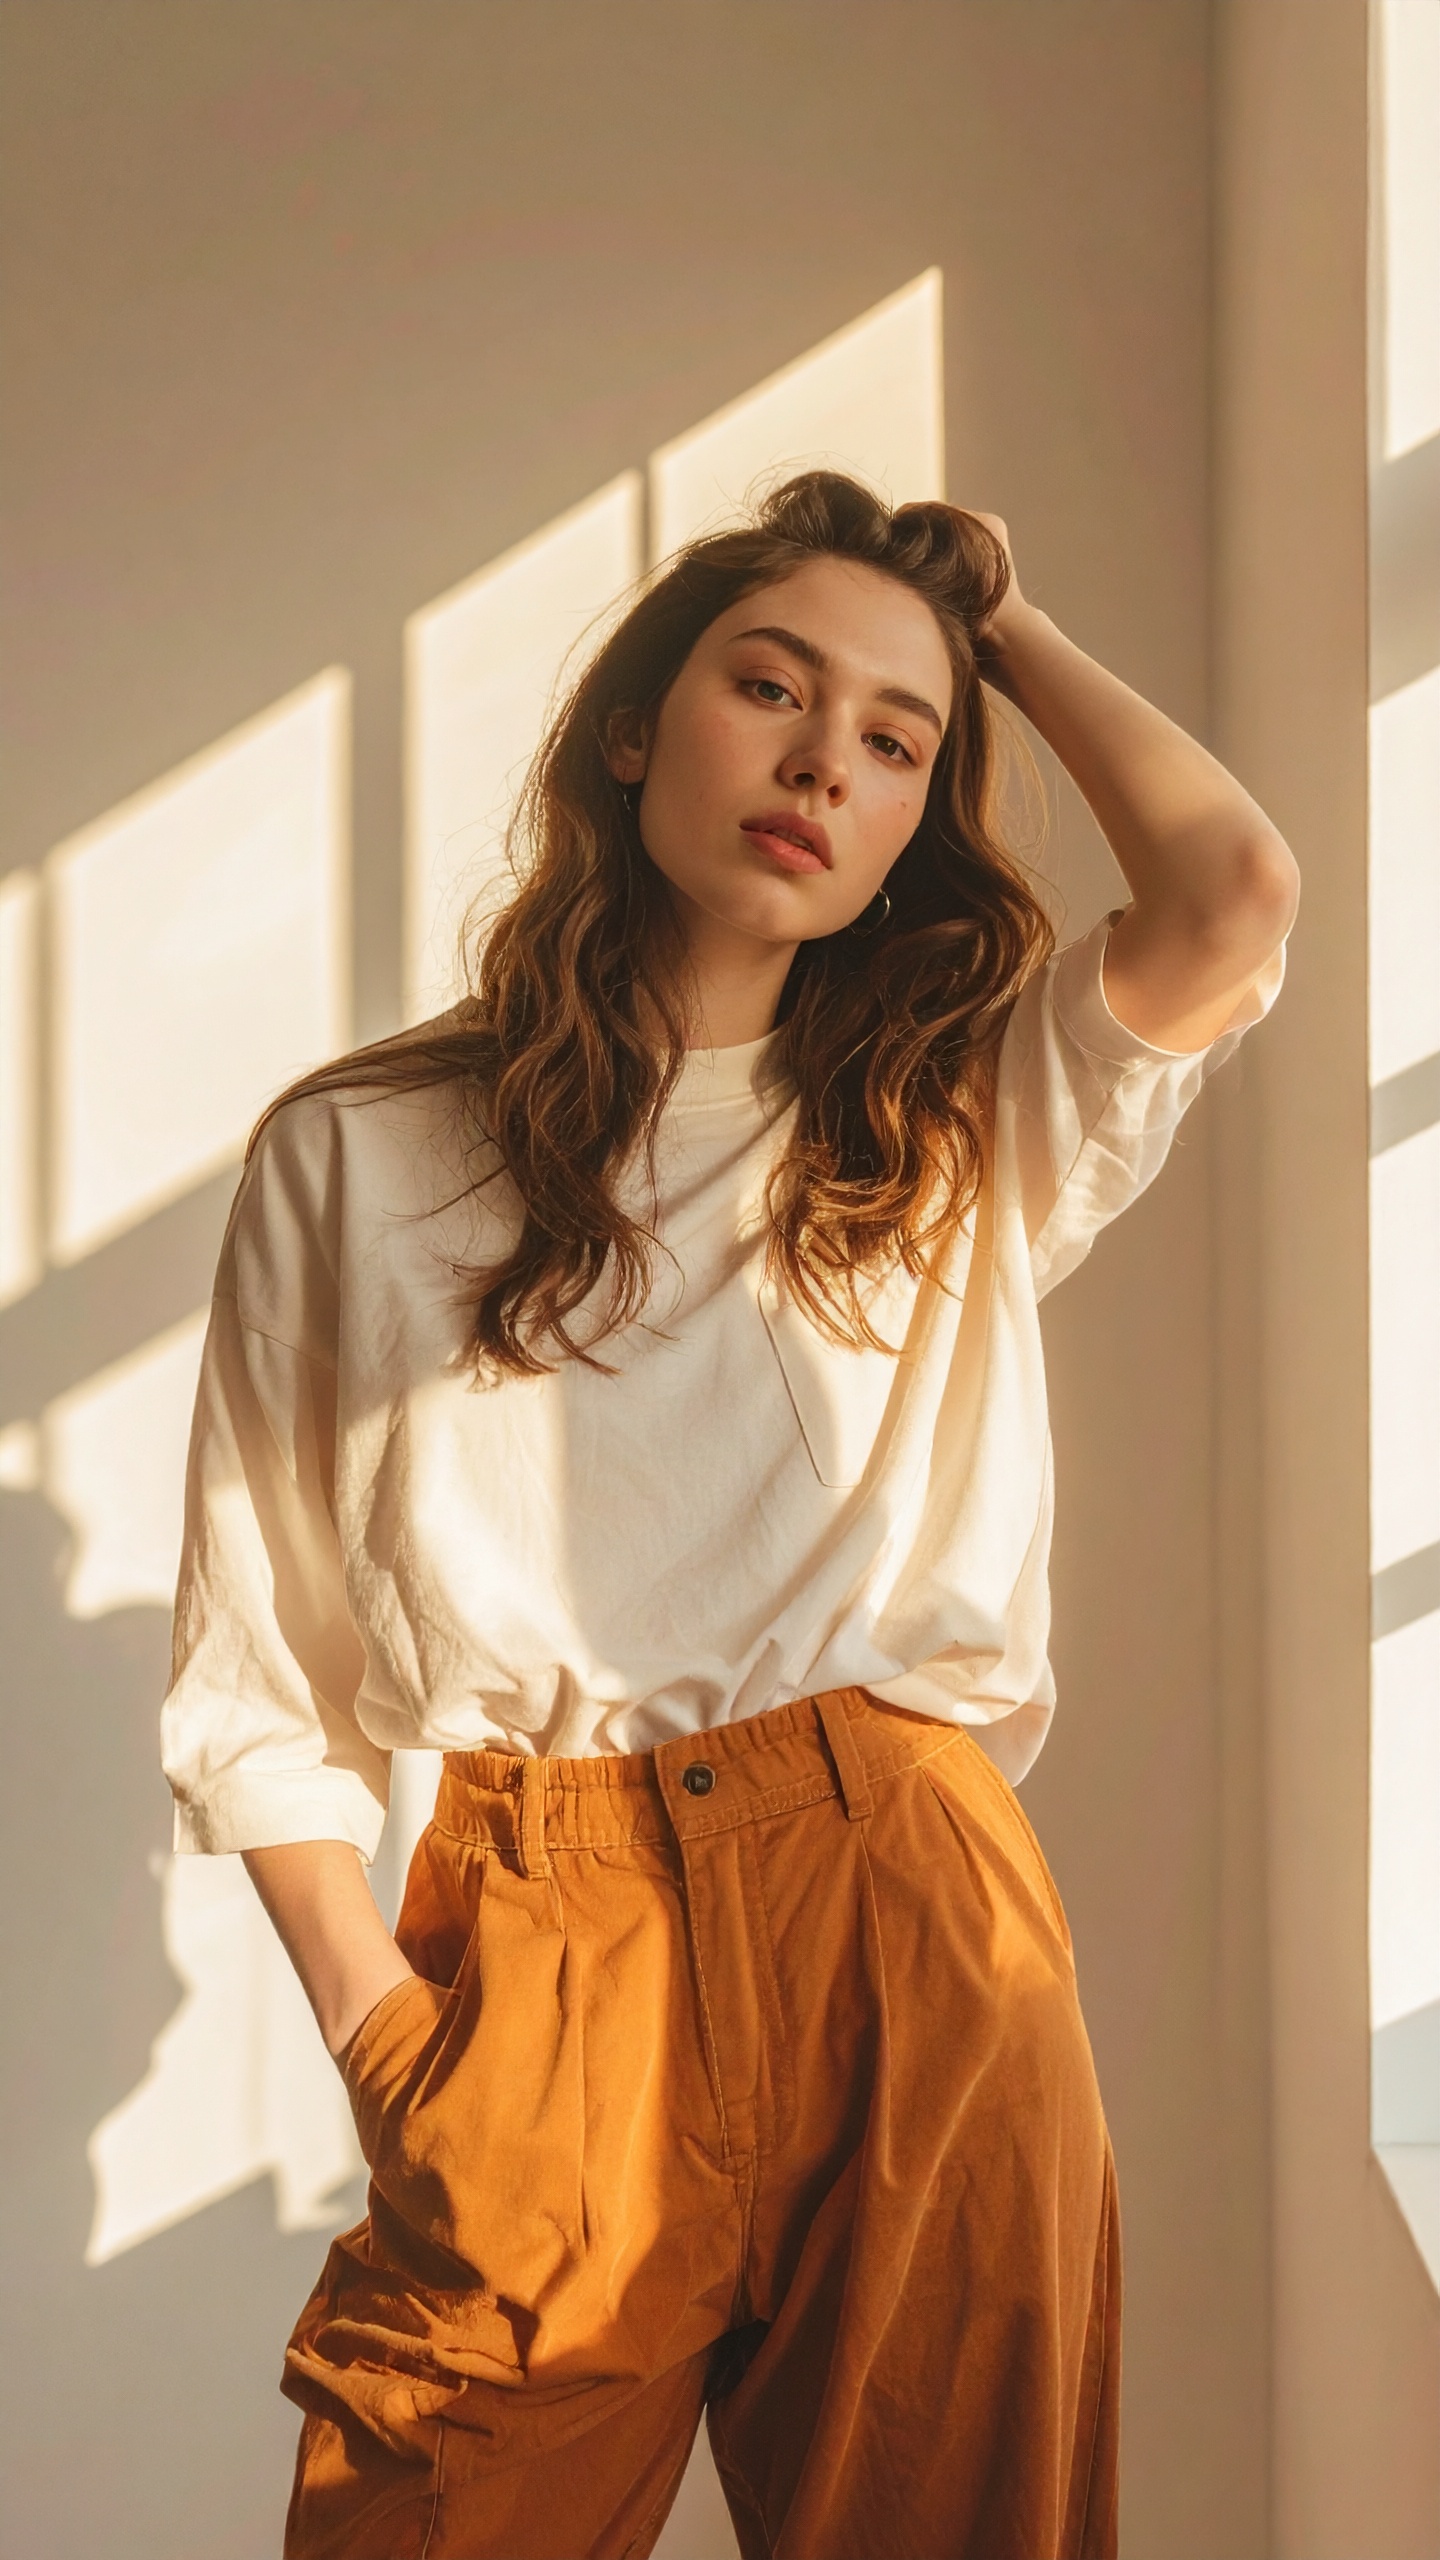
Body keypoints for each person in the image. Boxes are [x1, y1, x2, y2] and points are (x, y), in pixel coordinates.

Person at [161, 471, 1296, 2560]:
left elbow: (1232, 889)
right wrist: (389, 2039)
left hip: (908, 1905)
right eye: (770, 687)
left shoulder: (945, 1121)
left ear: (915, 824)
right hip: (538, 1934)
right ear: (633, 727)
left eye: (894, 742)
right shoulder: (354, 1155)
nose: (820, 763)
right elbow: (256, 1675)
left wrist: (1006, 625)